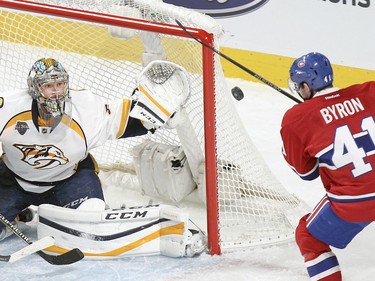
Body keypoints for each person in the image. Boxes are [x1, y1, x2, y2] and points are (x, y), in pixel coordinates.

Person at [0, 58, 183, 241]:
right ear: (34, 88)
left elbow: (123, 117)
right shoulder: (8, 107)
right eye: (48, 86)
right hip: (14, 182)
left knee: (90, 222)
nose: (56, 91)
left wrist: (157, 115)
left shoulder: (86, 107)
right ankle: (14, 217)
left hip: (68, 182)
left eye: (60, 84)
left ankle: (29, 214)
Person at [280, 52, 375, 281]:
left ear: (304, 87)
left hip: (355, 201)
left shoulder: (296, 119)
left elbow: (307, 173)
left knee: (308, 235)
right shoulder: (369, 91)